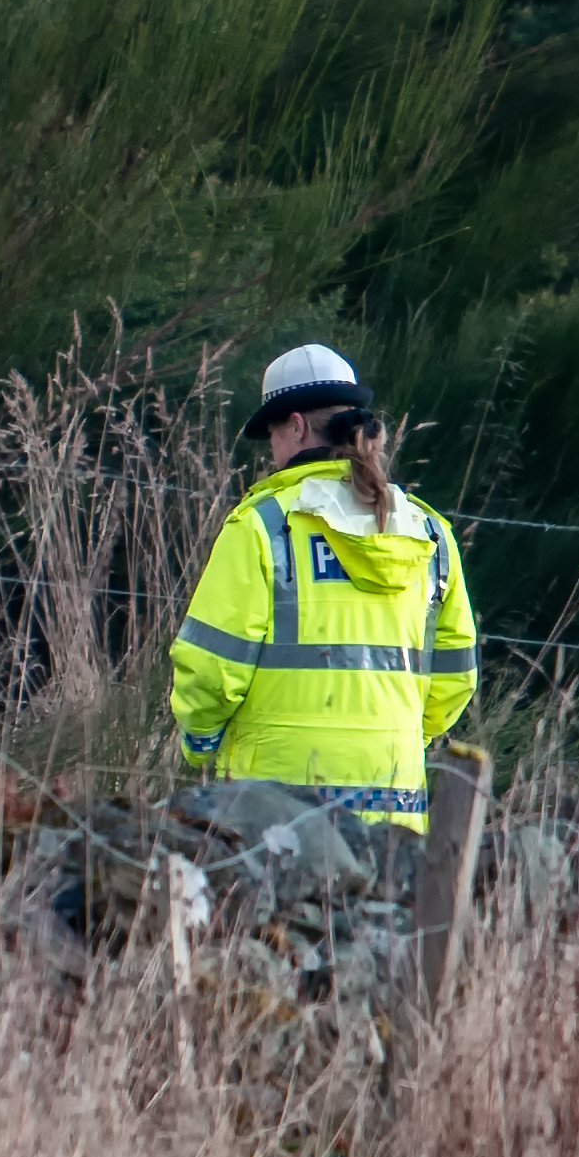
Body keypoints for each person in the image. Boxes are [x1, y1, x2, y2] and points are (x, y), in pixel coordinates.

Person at [167, 343, 476, 827]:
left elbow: (212, 667)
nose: (270, 450)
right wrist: (402, 735)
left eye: (272, 432)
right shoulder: (428, 533)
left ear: (294, 425)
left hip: (274, 814)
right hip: (393, 810)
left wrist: (199, 741)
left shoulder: (262, 526)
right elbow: (456, 672)